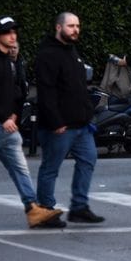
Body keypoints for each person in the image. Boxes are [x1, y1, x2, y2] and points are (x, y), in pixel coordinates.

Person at [0, 16, 64, 230]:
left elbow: (16, 92)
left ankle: (32, 210)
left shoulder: (10, 61)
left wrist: (14, 114)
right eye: (7, 32)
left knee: (20, 169)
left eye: (14, 31)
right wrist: (3, 117)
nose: (13, 35)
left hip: (7, 127)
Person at [35, 12, 105, 224]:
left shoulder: (72, 51)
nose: (75, 30)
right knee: (50, 167)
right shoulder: (48, 54)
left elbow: (78, 87)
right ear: (58, 27)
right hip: (60, 125)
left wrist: (87, 114)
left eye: (77, 26)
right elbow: (46, 91)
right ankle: (45, 210)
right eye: (71, 26)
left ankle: (79, 207)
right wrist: (56, 121)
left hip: (81, 124)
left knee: (88, 159)